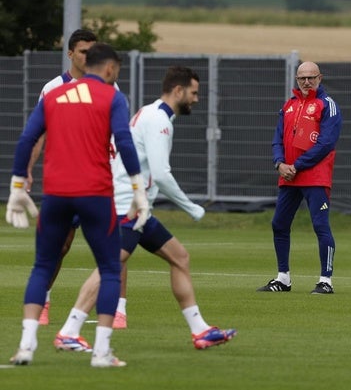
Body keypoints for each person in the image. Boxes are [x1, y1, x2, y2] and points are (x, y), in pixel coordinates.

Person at [53, 65, 236, 352]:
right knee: (109, 267)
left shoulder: (152, 113)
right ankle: (68, 330)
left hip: (140, 209)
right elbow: (161, 174)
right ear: (179, 91)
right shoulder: (159, 120)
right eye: (194, 92)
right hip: (128, 208)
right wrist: (191, 208)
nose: (196, 99)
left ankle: (200, 330)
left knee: (180, 257)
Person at [6, 43, 149, 367]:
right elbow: (124, 141)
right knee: (111, 268)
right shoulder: (113, 97)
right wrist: (138, 188)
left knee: (42, 267)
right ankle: (101, 352)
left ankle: (26, 346)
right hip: (95, 194)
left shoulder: (54, 95)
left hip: (56, 195)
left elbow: (27, 139)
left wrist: (17, 185)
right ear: (110, 69)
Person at [26, 29, 128, 330]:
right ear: (70, 53)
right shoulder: (54, 88)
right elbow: (36, 135)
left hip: (104, 179)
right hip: (68, 180)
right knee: (60, 245)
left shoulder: (111, 86)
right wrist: (27, 171)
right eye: (82, 51)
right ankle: (42, 300)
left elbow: (119, 134)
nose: (87, 56)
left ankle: (119, 309)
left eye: (92, 51)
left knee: (119, 246)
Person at [257, 61, 342, 294]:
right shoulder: (289, 106)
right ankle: (283, 278)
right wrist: (279, 163)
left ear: (320, 78)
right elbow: (277, 139)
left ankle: (326, 281)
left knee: (320, 226)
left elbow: (326, 143)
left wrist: (297, 164)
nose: (306, 82)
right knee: (279, 224)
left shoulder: (327, 105)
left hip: (315, 176)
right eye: (302, 78)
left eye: (311, 77)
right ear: (296, 80)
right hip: (289, 176)